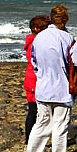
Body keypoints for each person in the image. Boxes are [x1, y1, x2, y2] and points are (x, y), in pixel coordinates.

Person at [23, 4, 77, 152]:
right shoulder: (67, 38)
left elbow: (34, 62)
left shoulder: (39, 38)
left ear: (51, 18)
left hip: (42, 87)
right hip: (61, 88)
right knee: (60, 124)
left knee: (41, 122)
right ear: (65, 20)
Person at [23, 14, 50, 145]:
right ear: (36, 29)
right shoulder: (35, 42)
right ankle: (29, 142)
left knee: (37, 112)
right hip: (34, 80)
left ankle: (32, 141)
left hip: (33, 79)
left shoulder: (34, 41)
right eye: (44, 28)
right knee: (34, 112)